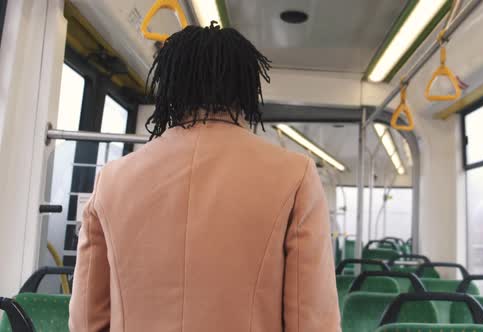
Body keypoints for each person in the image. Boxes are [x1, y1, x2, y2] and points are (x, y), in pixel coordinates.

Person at [69, 22, 341, 331]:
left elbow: (87, 319)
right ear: (246, 89)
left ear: (169, 85)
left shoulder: (112, 179)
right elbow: (312, 320)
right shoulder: (295, 176)